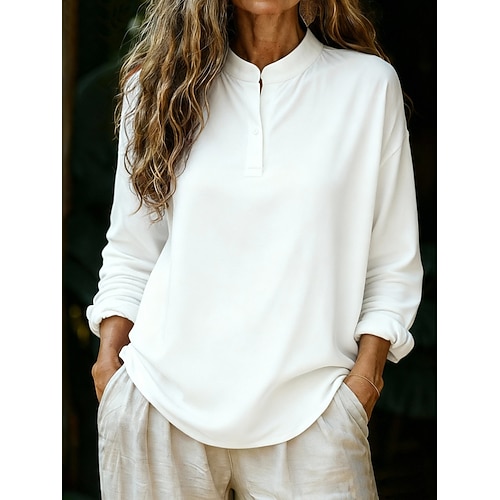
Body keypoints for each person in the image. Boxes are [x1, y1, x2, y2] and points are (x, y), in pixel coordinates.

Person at [87, 0, 423, 497]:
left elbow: (392, 261)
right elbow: (132, 250)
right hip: (158, 405)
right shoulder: (156, 86)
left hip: (315, 413)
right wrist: (109, 369)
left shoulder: (368, 87)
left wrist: (363, 383)